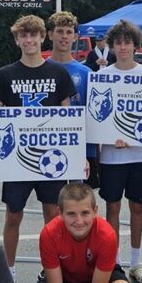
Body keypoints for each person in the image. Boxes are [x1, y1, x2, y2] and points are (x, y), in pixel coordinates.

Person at [0, 14, 74, 283]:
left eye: (34, 35)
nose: (29, 40)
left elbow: (68, 118)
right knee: (13, 216)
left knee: (53, 217)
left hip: (50, 157)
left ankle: (52, 270)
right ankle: (8, 272)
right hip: (16, 160)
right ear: (17, 40)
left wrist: (75, 158)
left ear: (43, 37)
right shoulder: (5, 75)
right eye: (24, 35)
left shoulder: (59, 73)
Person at [98, 19, 142, 283]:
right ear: (112, 46)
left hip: (141, 155)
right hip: (112, 155)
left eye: (127, 42)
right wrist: (107, 139)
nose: (123, 47)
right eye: (118, 42)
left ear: (136, 45)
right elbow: (97, 118)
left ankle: (136, 262)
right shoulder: (101, 76)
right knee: (112, 206)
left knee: (137, 206)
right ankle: (113, 262)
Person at [46, 11, 99, 188]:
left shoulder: (86, 73)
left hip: (82, 148)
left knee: (81, 198)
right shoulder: (40, 70)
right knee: (52, 200)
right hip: (49, 146)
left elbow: (95, 114)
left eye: (69, 32)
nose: (64, 36)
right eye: (59, 31)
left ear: (75, 37)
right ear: (50, 35)